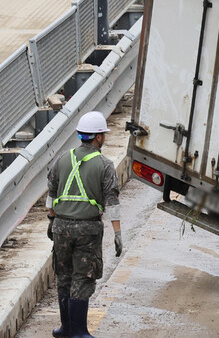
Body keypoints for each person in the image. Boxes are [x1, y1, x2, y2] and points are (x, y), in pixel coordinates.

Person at [46, 111, 122, 337]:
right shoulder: (105, 165)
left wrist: (51, 220)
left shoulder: (61, 159)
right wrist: (117, 234)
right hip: (87, 230)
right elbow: (113, 203)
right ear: (98, 137)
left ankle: (65, 328)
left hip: (61, 227)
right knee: (83, 277)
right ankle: (78, 332)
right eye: (103, 135)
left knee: (64, 274)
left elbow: (50, 194)